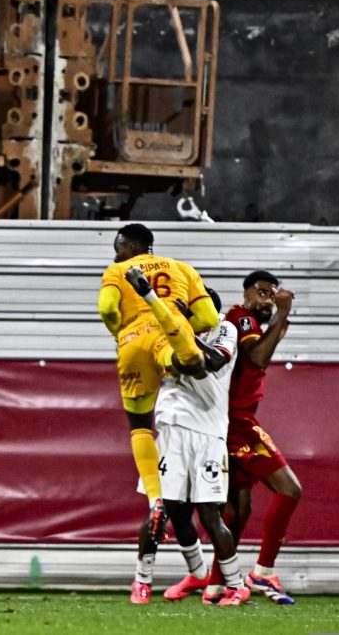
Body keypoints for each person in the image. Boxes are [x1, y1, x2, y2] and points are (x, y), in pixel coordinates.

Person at [98, 223, 221, 542]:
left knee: (139, 425)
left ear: (130, 244)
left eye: (118, 247)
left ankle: (155, 502)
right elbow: (209, 319)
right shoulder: (183, 269)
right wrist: (189, 323)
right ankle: (182, 352)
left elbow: (106, 309)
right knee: (180, 361)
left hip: (133, 340)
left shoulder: (117, 271)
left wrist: (119, 331)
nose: (115, 254)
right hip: (170, 333)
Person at [128, 290, 249, 606]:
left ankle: (236, 586)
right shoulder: (168, 331)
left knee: (211, 516)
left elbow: (215, 360)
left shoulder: (225, 329)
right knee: (163, 510)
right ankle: (144, 581)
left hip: (208, 433)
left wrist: (184, 329)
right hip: (172, 430)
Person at [200, 270, 299, 605]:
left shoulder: (250, 322)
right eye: (262, 293)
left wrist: (280, 318)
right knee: (290, 489)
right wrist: (283, 314)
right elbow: (258, 357)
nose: (268, 300)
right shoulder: (241, 319)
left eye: (272, 295)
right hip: (237, 424)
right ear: (246, 293)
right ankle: (262, 572)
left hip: (232, 422)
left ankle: (216, 586)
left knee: (237, 511)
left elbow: (264, 348)